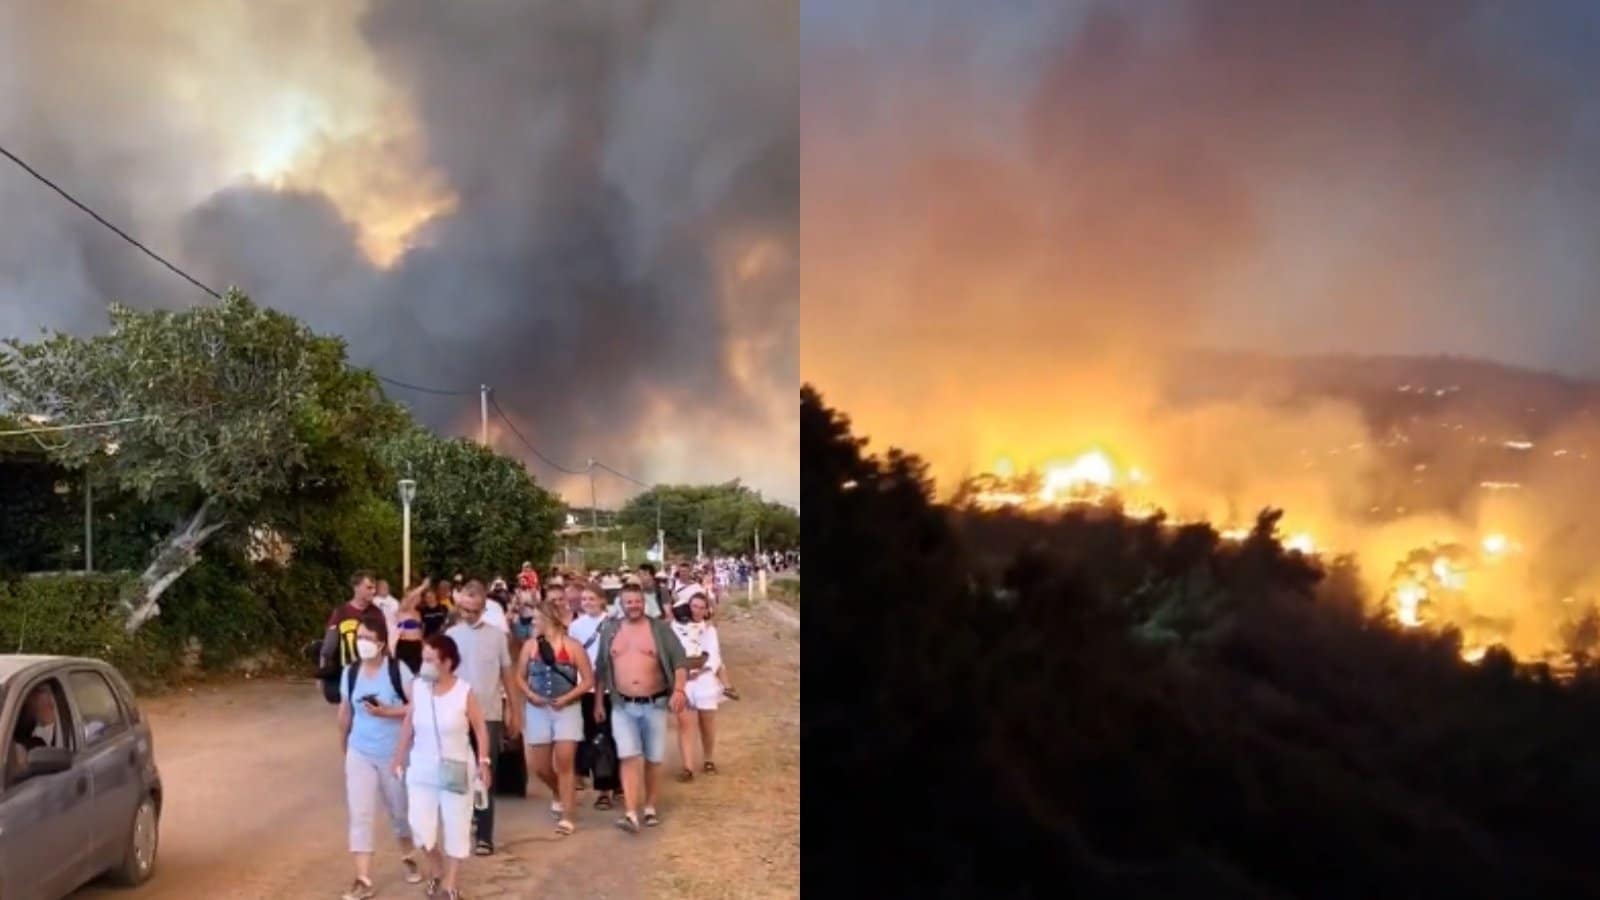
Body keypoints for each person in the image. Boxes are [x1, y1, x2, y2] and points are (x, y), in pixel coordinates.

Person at [392, 636, 489, 900]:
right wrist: (398, 756)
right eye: (423, 659)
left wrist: (483, 761)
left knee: (456, 823)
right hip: (422, 766)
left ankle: (450, 884)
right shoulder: (418, 687)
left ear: (447, 663)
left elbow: (480, 728)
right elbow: (409, 722)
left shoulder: (463, 691)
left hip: (457, 766)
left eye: (430, 660)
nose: (425, 665)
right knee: (419, 825)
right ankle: (436, 867)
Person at [594, 584, 689, 832]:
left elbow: (680, 662)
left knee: (653, 758)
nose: (633, 606)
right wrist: (597, 702)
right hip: (622, 705)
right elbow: (601, 668)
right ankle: (630, 813)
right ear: (620, 604)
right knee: (628, 756)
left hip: (654, 703)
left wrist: (678, 690)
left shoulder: (660, 630)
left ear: (644, 603)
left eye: (637, 601)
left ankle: (650, 807)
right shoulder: (610, 630)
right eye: (628, 602)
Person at [338, 612, 420, 899]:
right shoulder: (350, 672)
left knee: (398, 810)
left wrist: (387, 711)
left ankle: (408, 853)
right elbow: (345, 712)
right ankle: (363, 879)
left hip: (393, 753)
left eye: (368, 639)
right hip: (360, 750)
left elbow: (415, 707)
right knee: (360, 814)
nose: (362, 644)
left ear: (382, 644)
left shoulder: (399, 671)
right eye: (359, 638)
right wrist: (344, 744)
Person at [444, 581, 520, 856]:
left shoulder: (497, 637)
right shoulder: (451, 635)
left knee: (485, 774)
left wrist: (514, 710)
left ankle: (485, 835)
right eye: (463, 609)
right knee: (455, 774)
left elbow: (507, 677)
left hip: (488, 715)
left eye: (473, 611)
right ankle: (461, 827)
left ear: (484, 608)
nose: (468, 615)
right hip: (456, 716)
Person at [516, 595, 594, 835]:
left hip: (566, 709)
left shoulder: (572, 646)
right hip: (539, 708)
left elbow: (588, 679)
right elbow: (519, 676)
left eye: (538, 618)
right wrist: (530, 694)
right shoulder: (531, 646)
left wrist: (569, 697)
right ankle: (559, 792)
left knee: (565, 762)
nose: (534, 623)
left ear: (549, 619)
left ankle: (568, 815)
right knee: (540, 766)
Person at [570, 586, 619, 808]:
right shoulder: (576, 626)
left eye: (591, 598)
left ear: (601, 600)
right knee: (596, 737)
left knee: (612, 736)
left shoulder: (614, 623)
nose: (587, 602)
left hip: (613, 688)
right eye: (584, 598)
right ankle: (603, 786)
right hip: (586, 688)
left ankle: (612, 783)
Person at [671, 592, 727, 782]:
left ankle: (708, 758)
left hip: (705, 681)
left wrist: (701, 670)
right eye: (694, 606)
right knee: (685, 723)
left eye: (701, 608)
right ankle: (687, 767)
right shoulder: (676, 627)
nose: (697, 610)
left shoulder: (709, 630)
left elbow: (714, 656)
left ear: (706, 611)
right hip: (683, 680)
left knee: (707, 723)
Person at [394, 578, 429, 674]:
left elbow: (420, 633)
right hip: (405, 645)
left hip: (416, 646)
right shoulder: (403, 609)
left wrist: (423, 646)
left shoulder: (418, 613)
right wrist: (422, 586)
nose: (417, 597)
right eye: (416, 595)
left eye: (419, 596)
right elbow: (409, 598)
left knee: (417, 674)